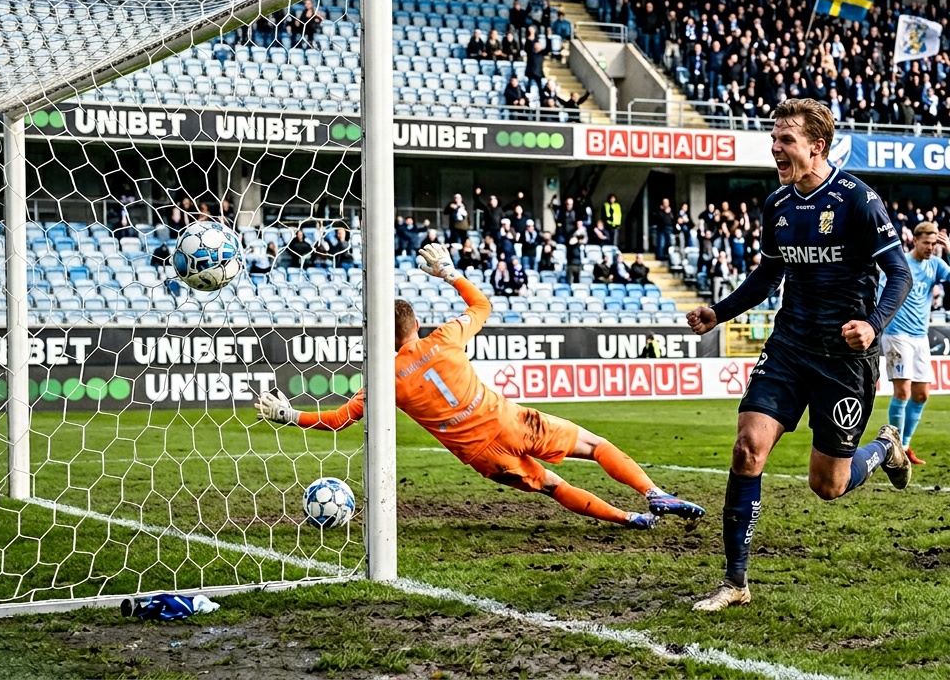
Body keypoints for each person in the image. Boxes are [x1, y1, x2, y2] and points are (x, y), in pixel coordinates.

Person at [255, 244, 705, 530]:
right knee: (594, 445)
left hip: (481, 455)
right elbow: (483, 304)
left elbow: (338, 420)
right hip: (511, 422)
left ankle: (628, 519)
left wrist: (289, 414)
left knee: (551, 485)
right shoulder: (446, 337)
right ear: (415, 324)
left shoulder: (383, 379)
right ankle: (652, 493)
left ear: (379, 334)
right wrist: (450, 273)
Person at [685, 98, 912, 612]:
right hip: (789, 347)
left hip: (842, 360)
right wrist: (718, 313)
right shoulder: (778, 205)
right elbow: (769, 275)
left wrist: (873, 326)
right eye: (774, 139)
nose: (776, 148)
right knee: (747, 448)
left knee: (827, 486)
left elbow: (901, 274)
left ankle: (882, 449)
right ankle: (735, 582)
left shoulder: (858, 201)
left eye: (786, 140)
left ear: (817, 146)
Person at [881, 223, 950, 465]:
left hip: (920, 336)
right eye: (926, 243)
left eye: (933, 244)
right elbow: (881, 292)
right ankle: (891, 448)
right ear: (915, 241)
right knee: (903, 391)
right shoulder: (901, 263)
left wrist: (949, 250)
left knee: (921, 394)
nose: (930, 248)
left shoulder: (935, 264)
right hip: (897, 333)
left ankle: (904, 446)